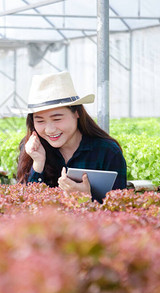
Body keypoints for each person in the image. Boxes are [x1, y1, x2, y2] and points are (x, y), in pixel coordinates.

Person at [17, 71, 127, 203]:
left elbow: (120, 207)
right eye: (40, 121)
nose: (50, 129)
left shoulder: (107, 151)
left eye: (57, 119)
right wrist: (38, 163)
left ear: (77, 113)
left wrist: (87, 197)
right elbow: (24, 205)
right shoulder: (32, 148)